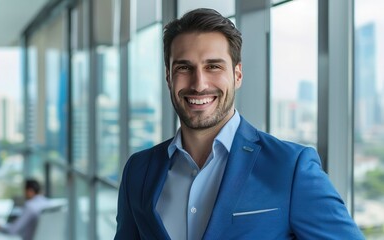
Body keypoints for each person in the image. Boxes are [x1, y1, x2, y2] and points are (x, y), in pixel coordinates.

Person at [115, 8, 363, 240]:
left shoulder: (290, 168)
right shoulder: (138, 171)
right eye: (184, 67)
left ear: (237, 75)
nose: (199, 84)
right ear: (169, 77)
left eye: (213, 66)